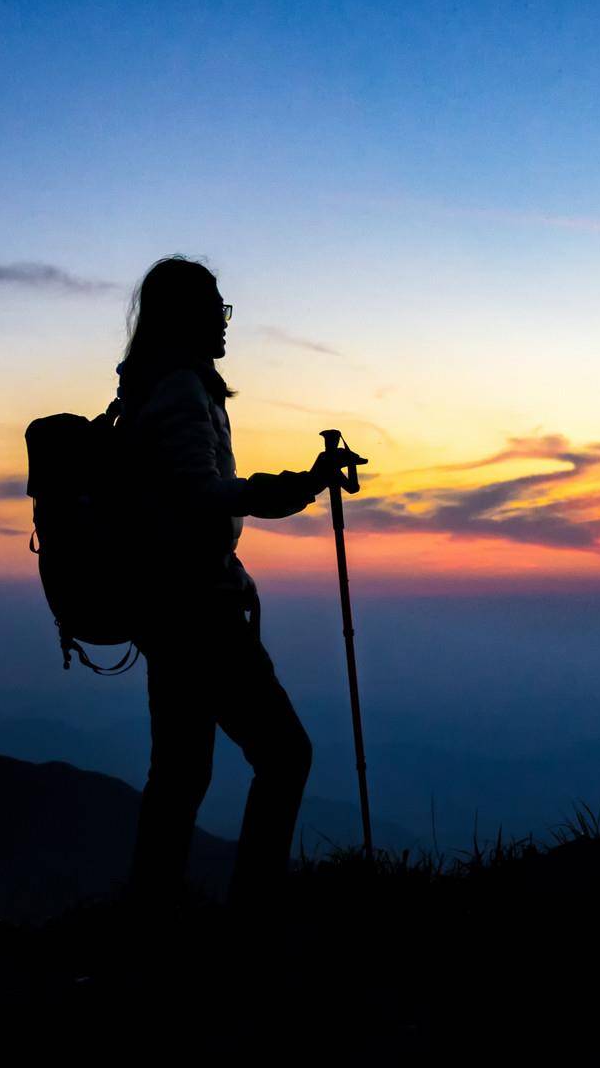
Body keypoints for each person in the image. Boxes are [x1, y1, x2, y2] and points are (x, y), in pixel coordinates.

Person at [116, 255, 365, 914]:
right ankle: (250, 919)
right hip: (195, 610)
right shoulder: (177, 391)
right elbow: (201, 495)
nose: (226, 325)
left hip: (172, 603)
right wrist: (303, 485)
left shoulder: (160, 385)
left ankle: (151, 918)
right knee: (284, 755)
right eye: (217, 310)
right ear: (188, 317)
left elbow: (180, 504)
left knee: (181, 772)